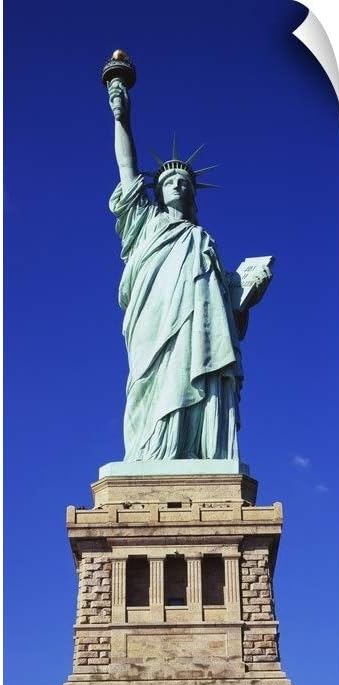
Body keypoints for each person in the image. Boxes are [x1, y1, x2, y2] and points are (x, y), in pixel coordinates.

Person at [107, 68, 272, 462]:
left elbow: (226, 316)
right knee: (149, 381)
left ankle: (196, 451)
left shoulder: (203, 241)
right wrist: (121, 117)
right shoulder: (145, 225)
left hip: (197, 327)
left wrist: (247, 294)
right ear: (158, 193)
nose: (177, 186)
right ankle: (151, 454)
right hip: (152, 319)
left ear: (194, 195)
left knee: (197, 368)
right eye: (168, 182)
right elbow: (127, 169)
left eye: (185, 182)